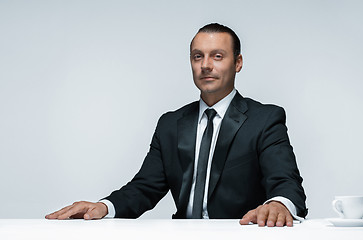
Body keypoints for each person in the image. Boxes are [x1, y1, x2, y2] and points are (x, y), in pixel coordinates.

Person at [46, 23, 308, 227]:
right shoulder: (170, 124)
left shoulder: (265, 119)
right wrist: (103, 207)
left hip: (240, 233)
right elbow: (145, 187)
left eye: (217, 56)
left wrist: (279, 204)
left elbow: (287, 182)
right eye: (197, 57)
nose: (206, 65)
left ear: (237, 63)